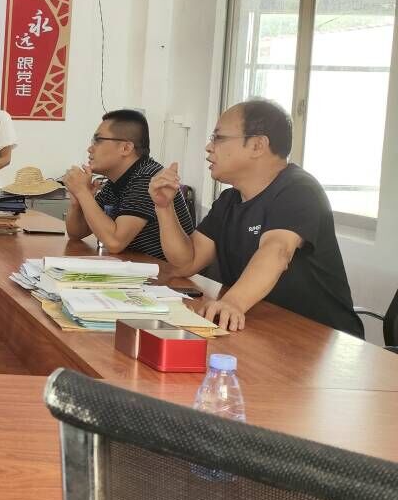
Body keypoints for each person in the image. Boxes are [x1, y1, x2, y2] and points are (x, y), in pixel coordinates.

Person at [149, 99, 364, 336]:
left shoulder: (299, 190)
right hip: (263, 325)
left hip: (322, 338)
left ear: (257, 145)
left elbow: (277, 251)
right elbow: (186, 262)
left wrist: (232, 302)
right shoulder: (229, 200)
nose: (209, 147)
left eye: (218, 138)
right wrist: (164, 207)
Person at [63, 109, 195, 259]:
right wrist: (77, 202)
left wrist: (82, 192)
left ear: (126, 148)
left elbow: (114, 242)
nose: (90, 148)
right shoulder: (115, 182)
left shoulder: (148, 178)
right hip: (138, 267)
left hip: (165, 271)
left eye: (98, 140)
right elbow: (76, 233)